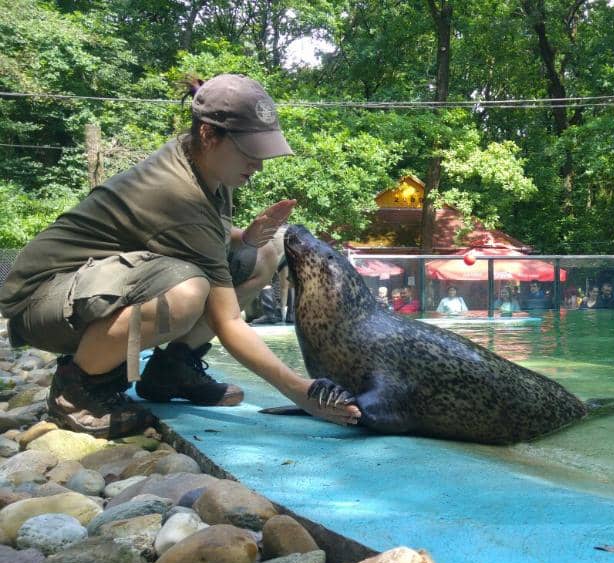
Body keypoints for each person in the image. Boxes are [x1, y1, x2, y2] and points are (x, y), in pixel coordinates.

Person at [0, 74, 360, 438]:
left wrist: (245, 237)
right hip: (40, 301)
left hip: (84, 288)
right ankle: (78, 392)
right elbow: (228, 322)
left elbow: (202, 237)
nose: (260, 164)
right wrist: (302, 392)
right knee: (186, 293)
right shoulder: (176, 192)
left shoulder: (207, 166)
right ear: (208, 134)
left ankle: (172, 369)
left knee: (263, 253)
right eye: (251, 151)